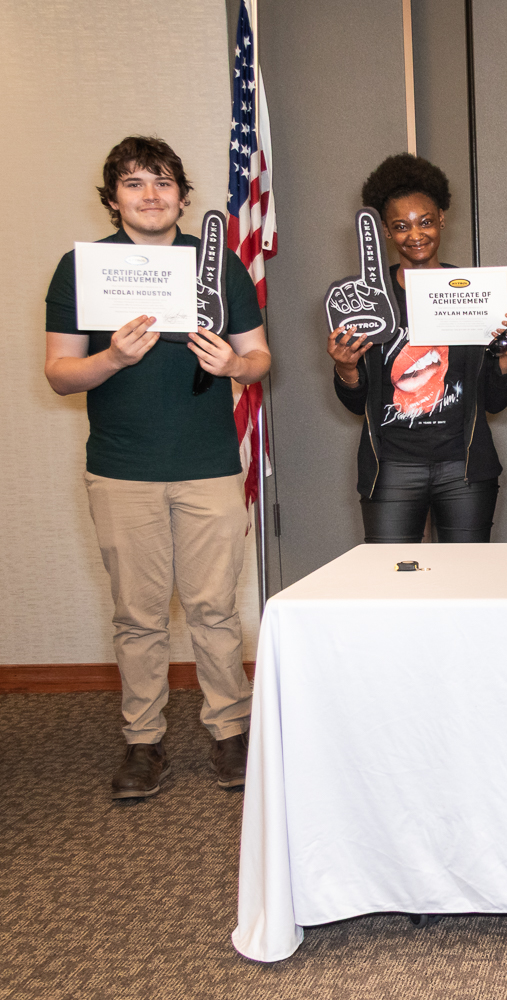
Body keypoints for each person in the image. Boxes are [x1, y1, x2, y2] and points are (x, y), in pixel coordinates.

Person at [43, 136, 272, 798]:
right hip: (122, 468)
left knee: (213, 607)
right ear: (113, 197)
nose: (151, 195)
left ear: (182, 194)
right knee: (138, 614)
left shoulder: (218, 264)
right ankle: (143, 744)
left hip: (208, 464)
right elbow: (59, 374)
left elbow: (259, 358)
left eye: (164, 182)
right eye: (136, 183)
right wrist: (112, 358)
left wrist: (234, 365)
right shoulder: (82, 269)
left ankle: (230, 732)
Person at [329, 154, 507, 543]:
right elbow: (356, 404)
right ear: (385, 231)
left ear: (442, 220)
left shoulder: (475, 292)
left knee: (467, 585)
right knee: (391, 585)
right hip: (392, 467)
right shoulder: (367, 299)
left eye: (425, 222)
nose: (415, 234)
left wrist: (506, 357)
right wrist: (346, 369)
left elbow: (495, 402)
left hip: (464, 468)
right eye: (401, 226)